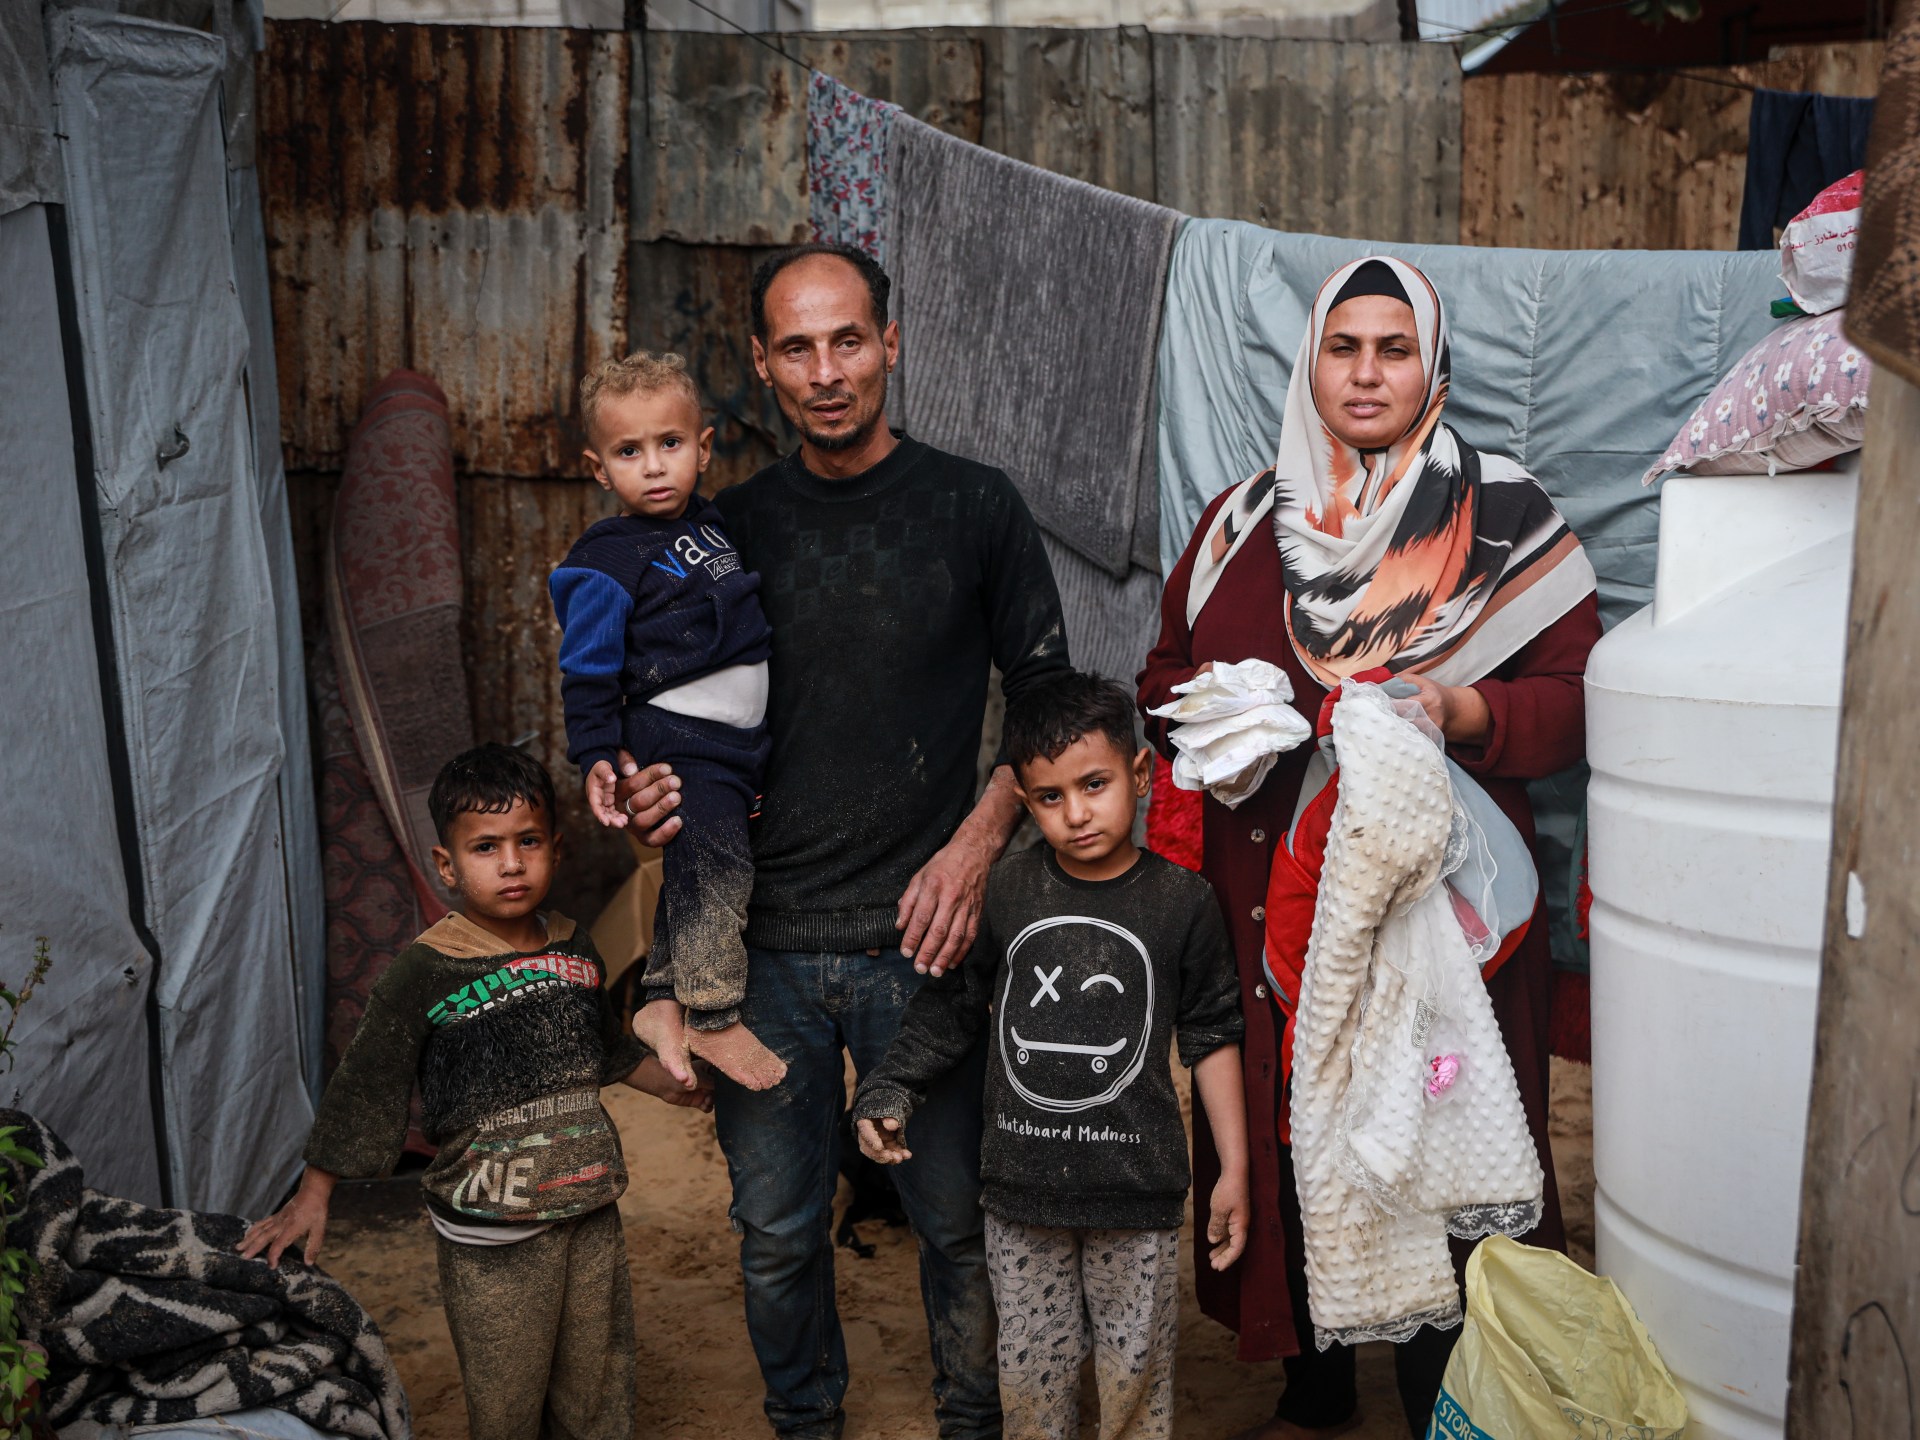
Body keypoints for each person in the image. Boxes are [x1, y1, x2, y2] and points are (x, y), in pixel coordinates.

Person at [1136, 255, 1601, 1440]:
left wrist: (1465, 715)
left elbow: (1579, 696)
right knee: (1297, 1128)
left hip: (1444, 916)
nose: (1366, 373)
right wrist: (1218, 718)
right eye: (1344, 347)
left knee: (1447, 1134)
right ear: (1313, 362)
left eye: (1394, 350)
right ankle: (1313, 1379)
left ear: (1432, 365)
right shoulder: (1245, 521)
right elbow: (1160, 678)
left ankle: (1453, 1388)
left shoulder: (1503, 517)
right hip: (1270, 909)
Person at [613, 241, 1072, 1440]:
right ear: (761, 365)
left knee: (957, 1227)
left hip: (928, 946)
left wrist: (976, 844)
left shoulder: (977, 506)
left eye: (849, 339)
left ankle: (976, 1426)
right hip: (761, 953)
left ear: (891, 344)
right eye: (798, 347)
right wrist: (643, 786)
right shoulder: (727, 533)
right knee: (773, 1234)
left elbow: (1046, 701)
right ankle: (805, 1422)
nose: (827, 370)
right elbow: (672, 710)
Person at [240, 743, 711, 1440]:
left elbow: (605, 1052)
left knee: (598, 1385)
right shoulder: (426, 970)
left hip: (587, 1207)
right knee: (509, 1394)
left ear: (556, 846)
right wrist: (314, 1193)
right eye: (486, 847)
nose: (512, 863)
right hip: (492, 1230)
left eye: (527, 842)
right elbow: (367, 1082)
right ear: (447, 865)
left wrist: (680, 1087)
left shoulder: (576, 948)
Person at [851, 671, 1250, 1440]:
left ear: (1139, 774)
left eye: (1094, 785)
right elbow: (952, 1010)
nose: (1076, 814)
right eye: (1049, 797)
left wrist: (1231, 1169)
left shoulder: (1183, 903)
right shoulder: (1006, 894)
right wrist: (890, 1087)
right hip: (1021, 1198)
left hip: (1139, 1198)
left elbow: (1210, 1036)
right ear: (1026, 802)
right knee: (1032, 1384)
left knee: (1138, 1385)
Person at [549, 350, 784, 1091]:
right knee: (717, 862)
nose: (653, 467)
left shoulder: (713, 525)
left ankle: (659, 999)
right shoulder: (604, 561)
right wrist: (594, 755)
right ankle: (714, 1017)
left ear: (704, 447)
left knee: (698, 864)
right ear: (598, 467)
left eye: (670, 444)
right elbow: (585, 670)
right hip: (678, 738)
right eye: (629, 451)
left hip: (739, 744)